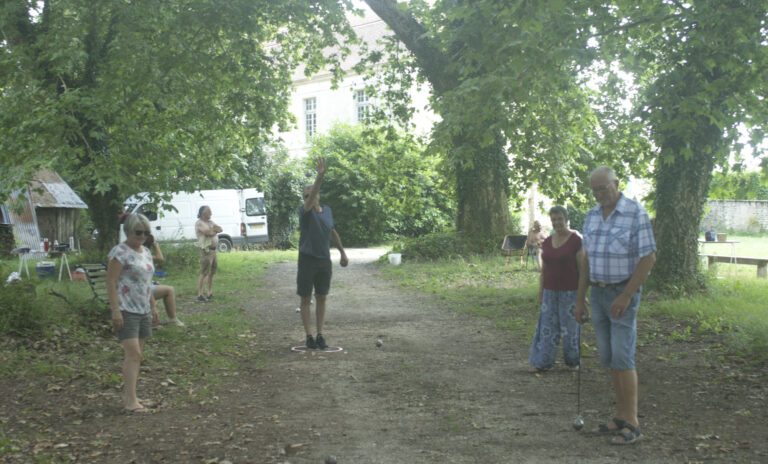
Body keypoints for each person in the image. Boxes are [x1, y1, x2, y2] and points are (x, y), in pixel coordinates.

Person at [574, 166, 656, 446]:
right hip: (597, 294)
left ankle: (633, 423)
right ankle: (620, 417)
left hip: (623, 292)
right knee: (609, 358)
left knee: (623, 356)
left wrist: (626, 295)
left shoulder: (636, 213)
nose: (599, 194)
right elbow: (585, 260)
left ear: (616, 184)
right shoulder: (592, 216)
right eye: (594, 190)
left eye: (603, 188)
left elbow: (648, 258)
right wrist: (579, 298)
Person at [106, 213, 159, 414]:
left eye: (146, 233)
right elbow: (110, 282)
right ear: (128, 231)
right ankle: (130, 401)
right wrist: (115, 311)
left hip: (143, 308)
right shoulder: (119, 252)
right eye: (138, 232)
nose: (142, 236)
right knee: (133, 353)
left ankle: (131, 396)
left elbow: (148, 282)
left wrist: (153, 306)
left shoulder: (145, 251)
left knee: (137, 356)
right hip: (126, 309)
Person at [297, 157, 348, 350]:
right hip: (307, 259)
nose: (307, 197)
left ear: (317, 195)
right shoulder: (305, 211)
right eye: (305, 195)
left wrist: (342, 252)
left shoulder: (327, 211)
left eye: (310, 194)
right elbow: (309, 201)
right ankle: (308, 336)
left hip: (324, 259)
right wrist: (320, 177)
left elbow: (332, 231)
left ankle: (320, 334)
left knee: (322, 296)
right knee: (305, 297)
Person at [528, 206, 586, 373]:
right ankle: (543, 362)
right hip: (549, 292)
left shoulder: (576, 240)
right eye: (554, 219)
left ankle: (572, 361)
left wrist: (582, 297)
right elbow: (544, 270)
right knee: (547, 328)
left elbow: (583, 270)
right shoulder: (547, 242)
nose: (557, 222)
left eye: (560, 219)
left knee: (571, 329)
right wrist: (541, 292)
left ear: (567, 219)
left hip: (570, 292)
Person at [144, 234, 184, 327]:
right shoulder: (142, 253)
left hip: (146, 286)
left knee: (168, 289)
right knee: (169, 290)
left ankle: (171, 319)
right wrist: (156, 246)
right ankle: (173, 320)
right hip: (141, 289)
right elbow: (160, 258)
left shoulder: (143, 252)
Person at [195, 205, 222, 302]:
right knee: (204, 273)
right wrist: (214, 230)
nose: (211, 214)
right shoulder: (199, 223)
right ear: (204, 213)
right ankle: (199, 295)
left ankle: (209, 293)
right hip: (206, 251)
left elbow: (220, 228)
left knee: (212, 272)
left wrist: (213, 230)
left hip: (214, 250)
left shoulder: (210, 222)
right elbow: (208, 233)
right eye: (209, 212)